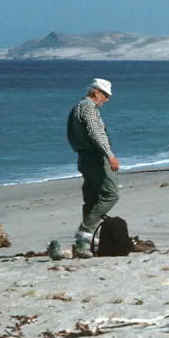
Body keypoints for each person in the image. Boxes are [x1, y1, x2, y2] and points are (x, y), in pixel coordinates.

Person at [66, 78, 120, 259]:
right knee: (111, 194)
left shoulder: (77, 107)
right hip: (94, 157)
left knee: (91, 198)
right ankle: (84, 234)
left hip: (83, 158)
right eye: (105, 95)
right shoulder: (88, 108)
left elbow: (71, 135)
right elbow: (95, 133)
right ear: (96, 92)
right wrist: (109, 154)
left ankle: (86, 243)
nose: (107, 99)